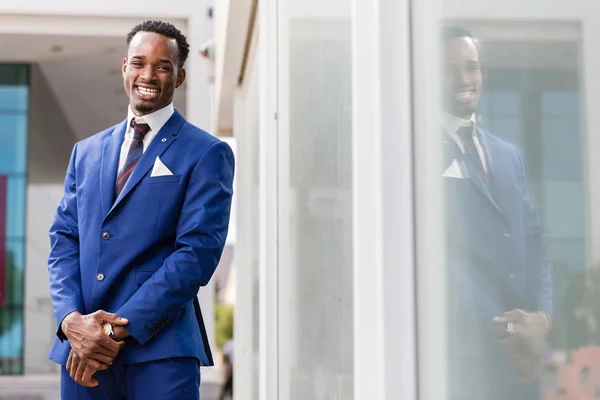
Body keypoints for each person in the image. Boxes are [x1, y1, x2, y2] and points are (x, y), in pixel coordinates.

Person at [47, 20, 234, 400]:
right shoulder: (86, 151)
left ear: (179, 77)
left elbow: (196, 255)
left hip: (159, 350)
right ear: (124, 68)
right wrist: (70, 321)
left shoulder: (207, 152)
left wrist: (115, 330)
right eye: (139, 62)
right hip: (81, 351)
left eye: (162, 66)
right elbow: (63, 240)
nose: (148, 75)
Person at [441, 25, 553, 399]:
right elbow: (440, 263)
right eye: (449, 68)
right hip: (466, 363)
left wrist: (542, 321)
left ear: (482, 74)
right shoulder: (417, 150)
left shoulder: (509, 155)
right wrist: (509, 332)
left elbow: (536, 244)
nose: (463, 78)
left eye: (471, 67)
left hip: (524, 365)